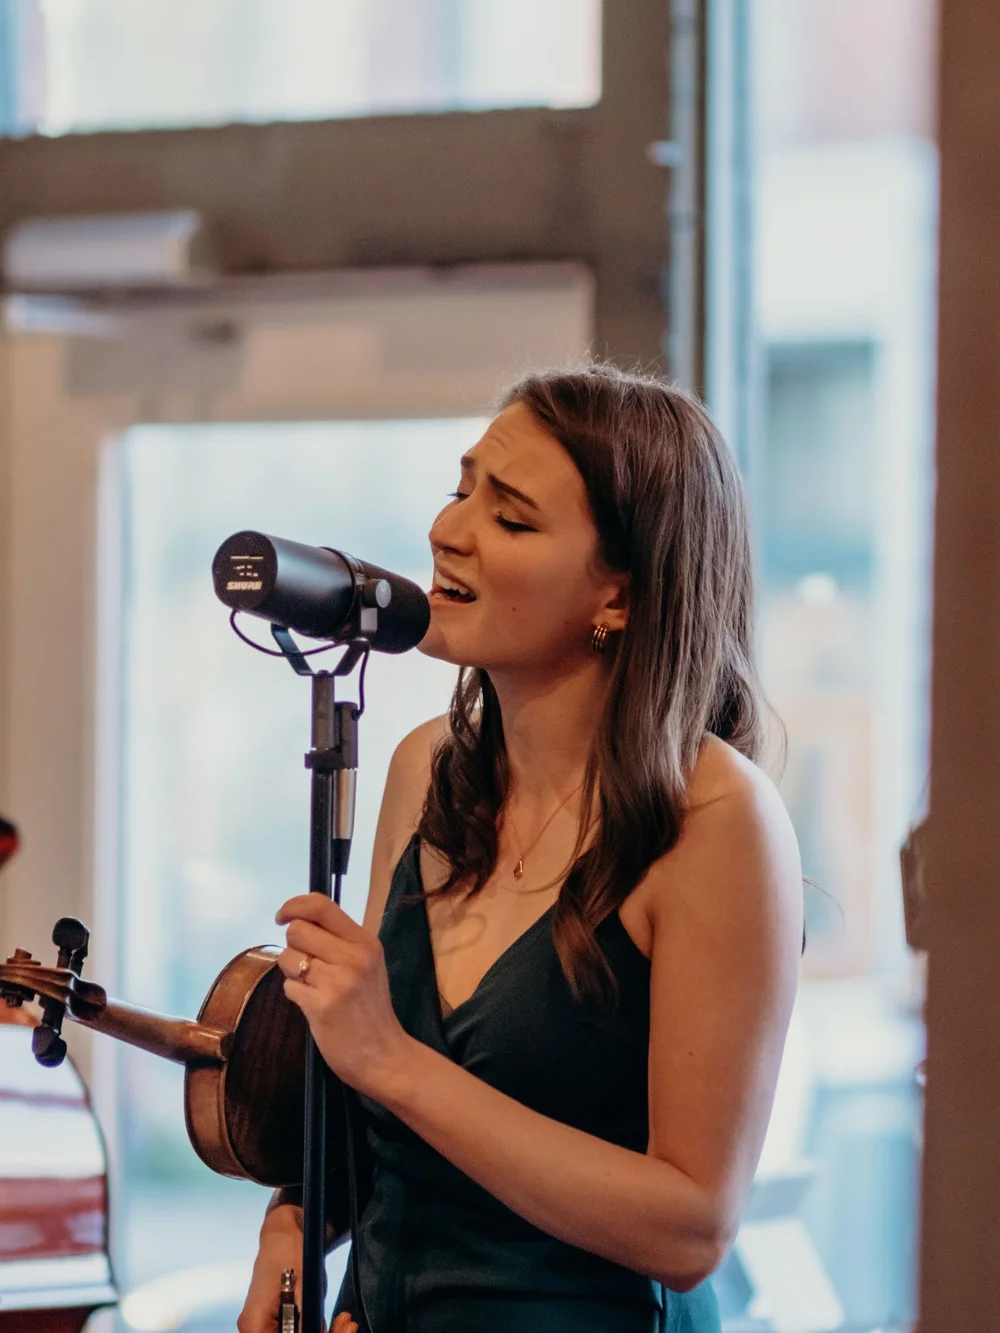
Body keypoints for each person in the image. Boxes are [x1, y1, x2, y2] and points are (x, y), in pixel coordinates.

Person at [238, 364, 804, 1333]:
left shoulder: (718, 819)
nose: (447, 530)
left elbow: (690, 1227)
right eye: (460, 489)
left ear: (619, 593)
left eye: (510, 516)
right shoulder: (426, 768)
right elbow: (369, 1116)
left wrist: (394, 1061)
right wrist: (291, 1223)